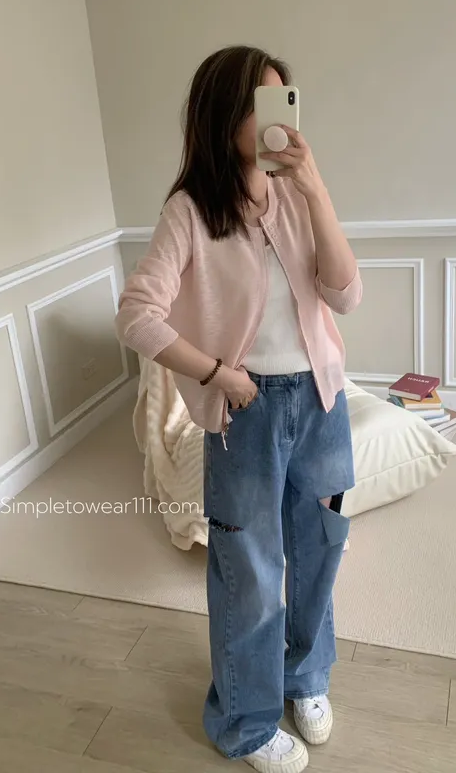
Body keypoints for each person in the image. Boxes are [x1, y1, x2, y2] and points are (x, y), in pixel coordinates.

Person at [115, 45, 362, 772]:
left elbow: (346, 294)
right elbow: (137, 315)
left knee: (319, 549)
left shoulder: (296, 196)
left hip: (320, 399)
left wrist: (314, 189)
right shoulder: (190, 211)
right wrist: (218, 374)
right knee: (248, 573)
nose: (276, 117)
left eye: (284, 99)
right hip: (246, 410)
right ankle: (245, 723)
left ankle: (305, 677)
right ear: (226, 115)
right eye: (261, 102)